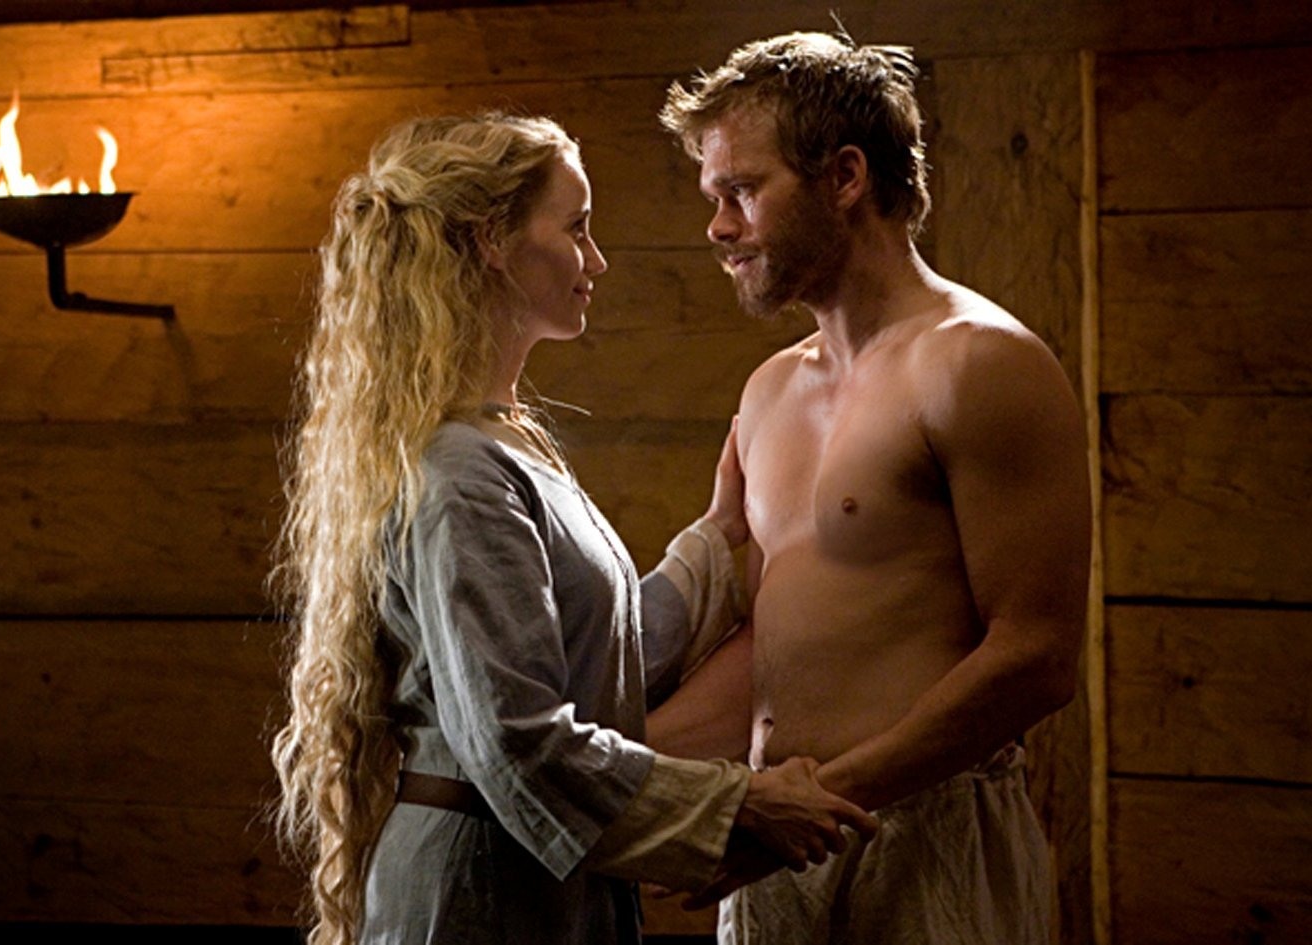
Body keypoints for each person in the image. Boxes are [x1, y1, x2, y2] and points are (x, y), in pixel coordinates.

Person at [269, 113, 878, 945]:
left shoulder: (502, 440)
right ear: (491, 241)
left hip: (532, 881)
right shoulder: (459, 469)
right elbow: (518, 739)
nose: (595, 260)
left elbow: (591, 661)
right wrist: (738, 803)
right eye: (576, 228)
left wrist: (718, 540)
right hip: (478, 892)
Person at [651, 26, 1092, 944]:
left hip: (924, 830)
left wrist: (821, 801)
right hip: (783, 831)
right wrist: (623, 785)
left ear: (844, 176)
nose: (719, 227)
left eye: (741, 191)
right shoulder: (769, 391)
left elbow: (1036, 654)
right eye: (713, 198)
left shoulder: (978, 363)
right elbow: (773, 646)